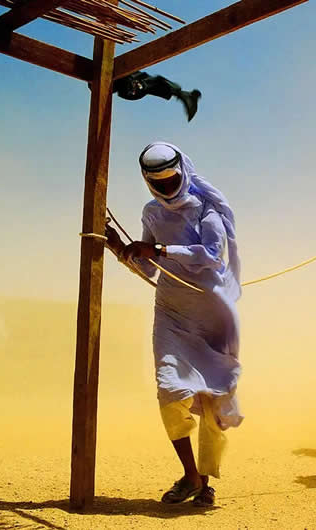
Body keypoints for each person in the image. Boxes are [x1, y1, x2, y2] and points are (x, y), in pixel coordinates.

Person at [105, 141, 242, 507]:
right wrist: (121, 249)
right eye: (159, 184)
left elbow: (213, 257)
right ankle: (191, 475)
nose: (167, 189)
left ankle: (205, 483)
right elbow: (148, 266)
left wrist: (161, 250)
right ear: (148, 182)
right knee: (170, 391)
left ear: (182, 172)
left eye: (172, 180)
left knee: (211, 398)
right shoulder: (151, 213)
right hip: (170, 312)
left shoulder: (206, 210)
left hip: (212, 314)